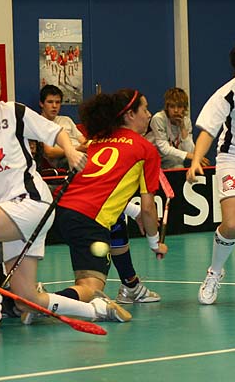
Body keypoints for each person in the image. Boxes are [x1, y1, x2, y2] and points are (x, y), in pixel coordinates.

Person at [0, 62, 131, 326]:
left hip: (31, 203)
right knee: (26, 298)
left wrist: (70, 151)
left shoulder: (14, 112)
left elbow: (55, 132)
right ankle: (96, 310)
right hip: (4, 213)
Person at [51, 88, 168, 307]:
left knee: (116, 221)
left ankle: (131, 285)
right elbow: (148, 208)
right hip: (88, 220)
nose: (149, 114)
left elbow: (100, 187)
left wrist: (133, 212)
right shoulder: (145, 149)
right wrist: (155, 244)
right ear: (130, 115)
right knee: (91, 290)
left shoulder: (96, 140)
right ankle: (37, 302)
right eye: (145, 109)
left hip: (60, 210)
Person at [187, 36, 235, 305]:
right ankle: (214, 272)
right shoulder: (230, 92)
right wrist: (196, 160)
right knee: (233, 223)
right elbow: (208, 129)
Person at [147, 87, 210, 169]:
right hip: (152, 158)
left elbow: (190, 150)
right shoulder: (159, 118)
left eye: (179, 106)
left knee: (186, 163)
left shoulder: (186, 121)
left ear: (184, 108)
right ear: (167, 107)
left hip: (171, 158)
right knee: (176, 163)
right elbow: (164, 148)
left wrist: (183, 128)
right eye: (172, 106)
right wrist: (191, 156)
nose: (176, 110)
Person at [31, 84, 87, 174]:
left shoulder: (66, 119)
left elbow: (83, 141)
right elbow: (49, 152)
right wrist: (77, 149)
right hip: (63, 159)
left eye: (57, 102)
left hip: (82, 154)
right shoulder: (37, 124)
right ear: (41, 104)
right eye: (50, 102)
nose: (54, 106)